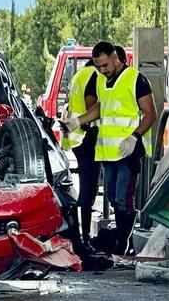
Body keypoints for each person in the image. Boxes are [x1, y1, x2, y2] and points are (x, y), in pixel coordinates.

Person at [60, 41, 157, 255]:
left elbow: (151, 113)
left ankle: (122, 245)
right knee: (113, 198)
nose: (101, 70)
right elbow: (101, 108)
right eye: (98, 66)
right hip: (108, 152)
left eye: (104, 65)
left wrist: (135, 136)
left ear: (116, 58)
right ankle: (121, 242)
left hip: (129, 151)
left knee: (123, 199)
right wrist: (78, 121)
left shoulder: (136, 79)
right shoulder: (102, 81)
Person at [59, 58, 99, 256]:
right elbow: (91, 105)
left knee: (86, 187)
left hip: (76, 138)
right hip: (86, 135)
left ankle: (82, 237)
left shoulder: (78, 76)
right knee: (88, 190)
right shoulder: (94, 75)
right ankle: (84, 239)